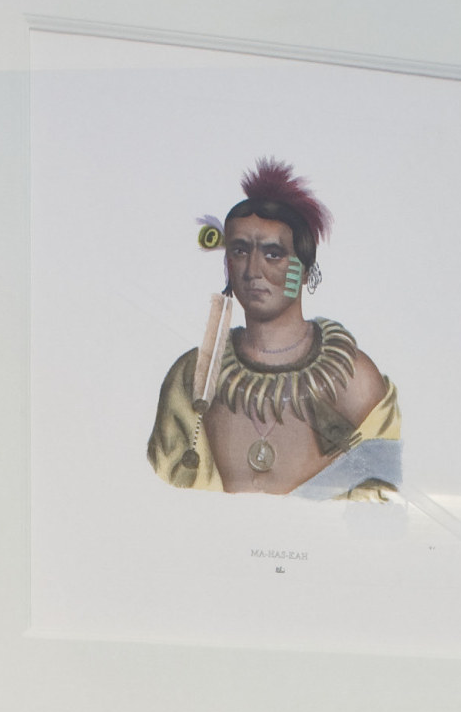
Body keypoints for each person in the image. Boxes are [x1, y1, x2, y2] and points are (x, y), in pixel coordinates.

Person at [147, 160, 401, 495]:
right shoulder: (192, 375)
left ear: (307, 272)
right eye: (240, 251)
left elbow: (383, 504)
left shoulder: (354, 378)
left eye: (273, 254)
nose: (253, 270)